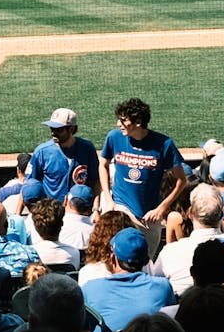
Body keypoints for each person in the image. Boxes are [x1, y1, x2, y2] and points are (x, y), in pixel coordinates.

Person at [99, 98, 186, 253]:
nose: (118, 124)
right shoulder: (114, 137)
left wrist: (162, 207)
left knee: (145, 260)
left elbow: (181, 180)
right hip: (120, 207)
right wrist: (108, 199)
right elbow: (103, 165)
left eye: (123, 120)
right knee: (115, 254)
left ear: (138, 122)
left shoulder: (164, 144)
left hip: (149, 216)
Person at [26, 108, 99, 204]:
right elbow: (29, 185)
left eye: (58, 130)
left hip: (81, 211)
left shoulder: (87, 149)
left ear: (71, 129)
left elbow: (96, 180)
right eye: (52, 128)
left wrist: (96, 208)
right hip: (52, 213)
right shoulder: (42, 152)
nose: (53, 133)